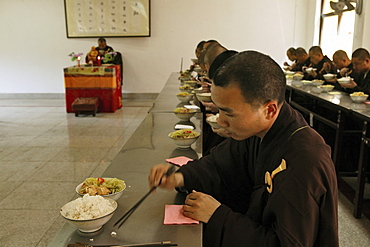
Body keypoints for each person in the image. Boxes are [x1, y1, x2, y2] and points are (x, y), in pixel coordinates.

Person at [149, 51, 338, 246]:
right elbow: (219, 165)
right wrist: (180, 177)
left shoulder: (304, 160)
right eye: (219, 109)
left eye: (229, 114)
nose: (220, 121)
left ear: (269, 110)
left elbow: (286, 243)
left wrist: (217, 216)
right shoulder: (257, 130)